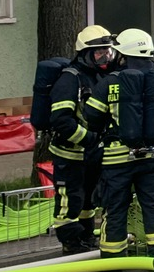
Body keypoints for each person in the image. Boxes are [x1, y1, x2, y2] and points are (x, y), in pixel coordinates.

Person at [83, 29, 154, 261]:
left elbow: (91, 117)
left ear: (123, 54)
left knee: (115, 209)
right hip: (153, 156)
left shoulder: (110, 82)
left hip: (117, 159)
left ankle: (113, 261)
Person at [49, 24, 117, 253]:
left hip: (92, 152)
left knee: (89, 199)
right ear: (85, 54)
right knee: (71, 198)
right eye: (99, 53)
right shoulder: (70, 80)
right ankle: (70, 241)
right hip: (70, 153)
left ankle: (86, 236)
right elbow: (61, 120)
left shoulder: (99, 76)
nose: (104, 57)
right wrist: (88, 138)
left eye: (107, 52)